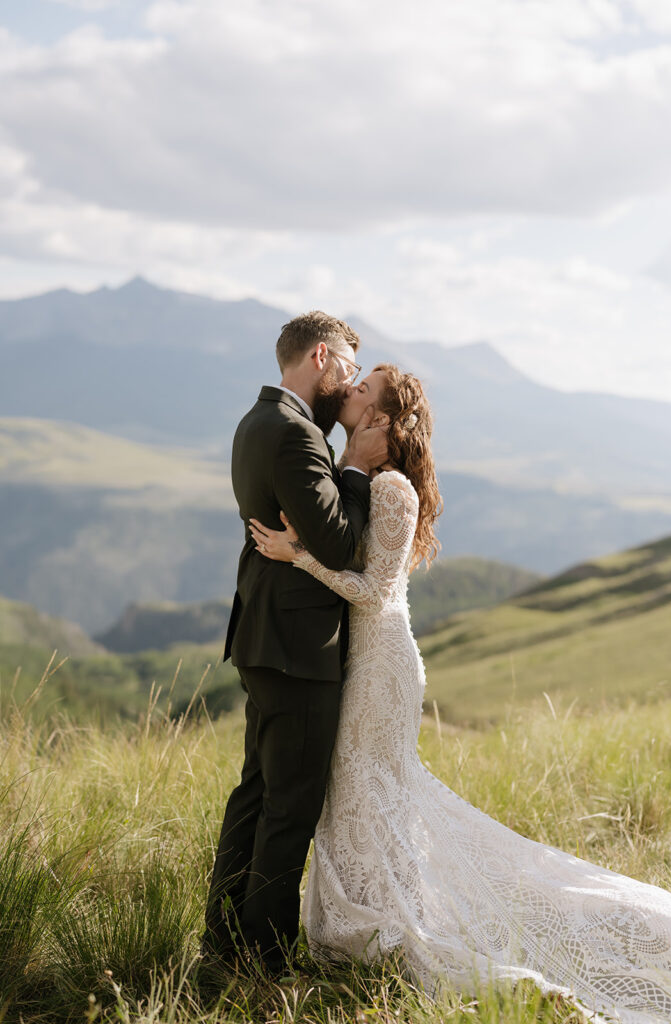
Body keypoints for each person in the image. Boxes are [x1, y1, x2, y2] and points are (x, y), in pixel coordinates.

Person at [249, 363, 671, 1024]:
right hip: (361, 661)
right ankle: (379, 920)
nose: (348, 392)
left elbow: (373, 593)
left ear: (384, 421)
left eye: (361, 390)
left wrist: (298, 556)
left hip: (381, 664)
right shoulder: (366, 473)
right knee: (360, 794)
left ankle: (406, 930)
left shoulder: (394, 490)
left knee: (371, 791)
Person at [203, 312, 388, 977]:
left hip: (265, 634)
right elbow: (338, 542)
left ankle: (223, 944)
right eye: (345, 365)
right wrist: (357, 467)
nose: (348, 381)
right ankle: (267, 960)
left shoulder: (258, 422)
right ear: (319, 356)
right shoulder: (293, 435)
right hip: (297, 644)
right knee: (290, 804)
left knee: (258, 793)